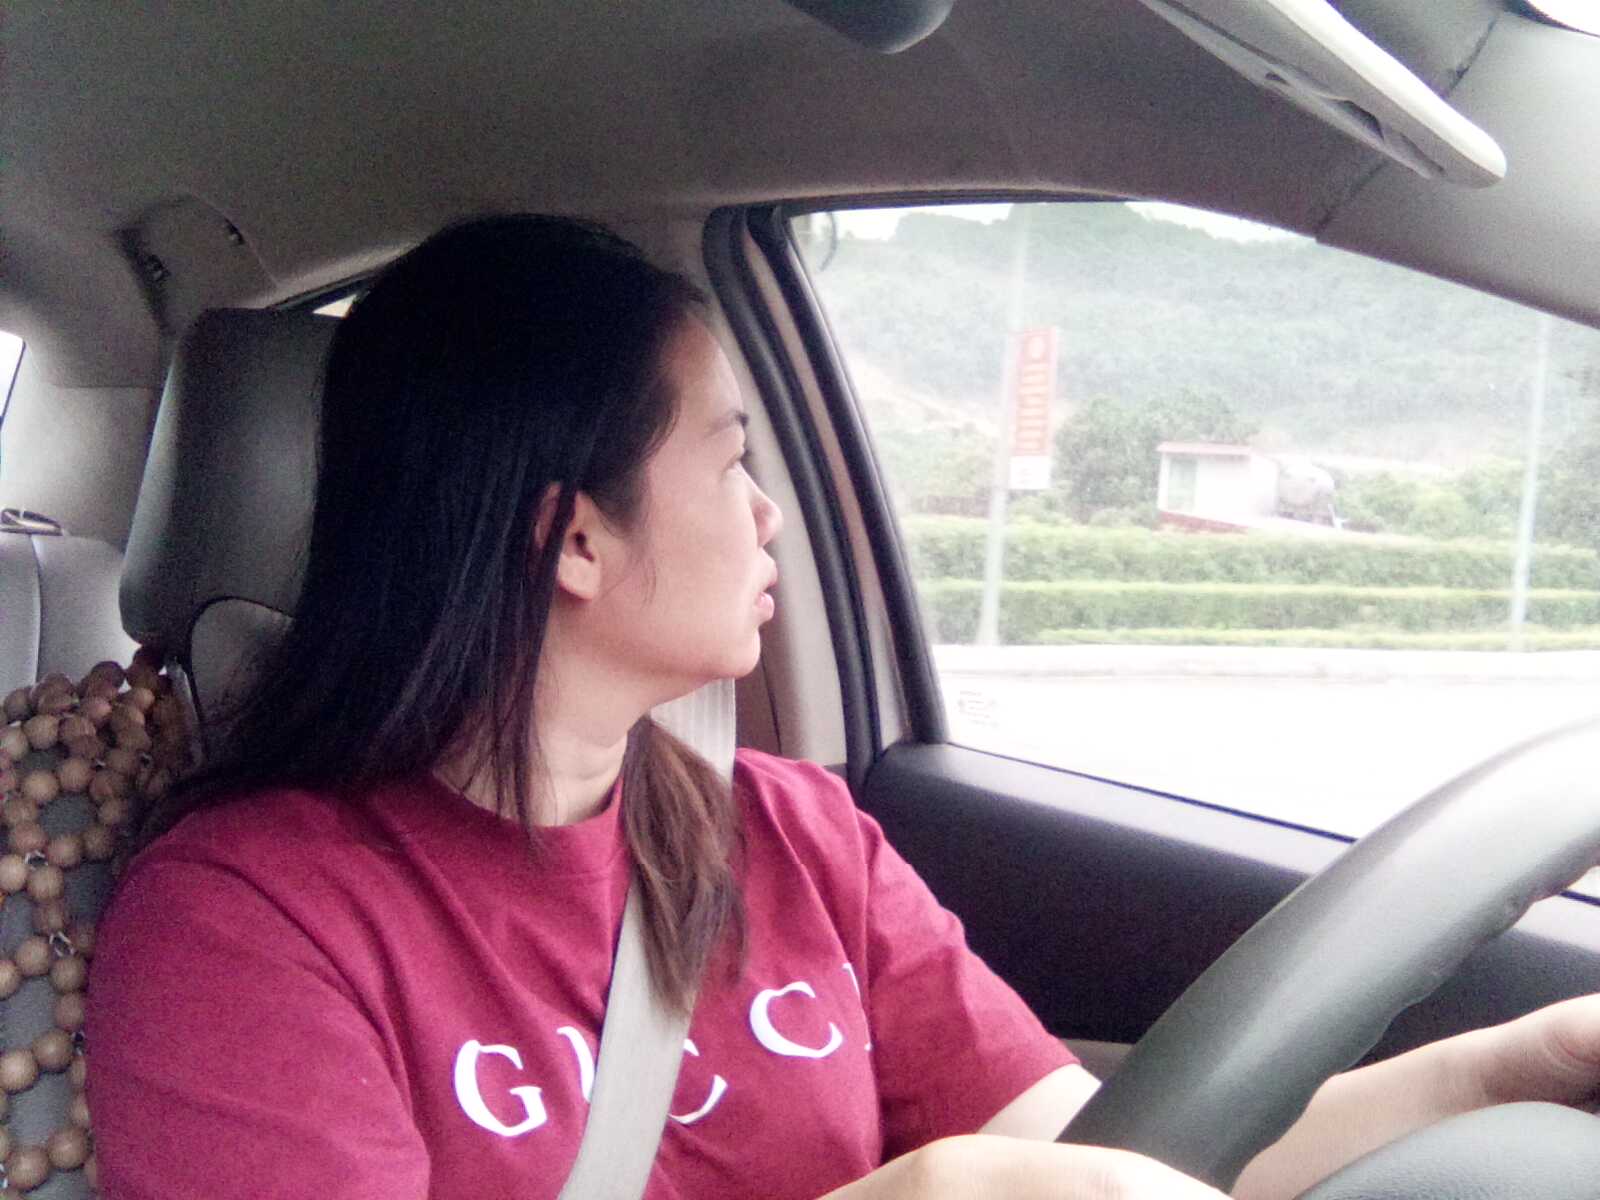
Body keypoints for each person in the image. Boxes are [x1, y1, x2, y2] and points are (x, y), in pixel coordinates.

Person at [86, 215, 1600, 1200]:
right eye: (730, 459)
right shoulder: (245, 924)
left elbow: (1107, 1165)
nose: (770, 517)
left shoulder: (794, 834)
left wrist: (1501, 1070)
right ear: (575, 540)